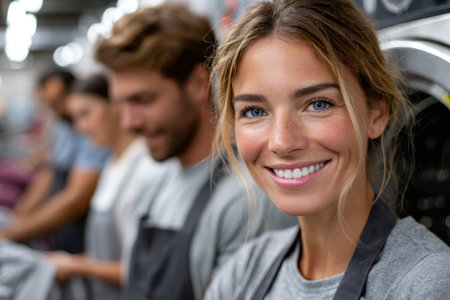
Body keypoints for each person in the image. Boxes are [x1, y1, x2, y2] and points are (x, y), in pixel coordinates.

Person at [205, 0, 450, 299]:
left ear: (376, 114)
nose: (282, 141)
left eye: (318, 104)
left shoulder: (426, 284)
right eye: (255, 111)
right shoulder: (243, 272)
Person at [94, 3, 296, 300]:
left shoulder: (247, 200)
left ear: (200, 83)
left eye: (143, 100)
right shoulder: (155, 182)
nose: (129, 122)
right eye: (121, 103)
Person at [45, 74, 161, 300]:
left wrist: (76, 266)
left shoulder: (143, 168)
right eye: (75, 118)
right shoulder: (111, 162)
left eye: (85, 114)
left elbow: (141, 268)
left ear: (115, 105)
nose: (80, 128)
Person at [0, 69, 109, 254]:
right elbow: (48, 175)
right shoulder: (63, 127)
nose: (57, 109)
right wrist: (18, 219)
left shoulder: (92, 134)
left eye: (59, 100)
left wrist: (15, 232)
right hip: (62, 230)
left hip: (82, 230)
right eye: (49, 104)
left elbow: (76, 198)